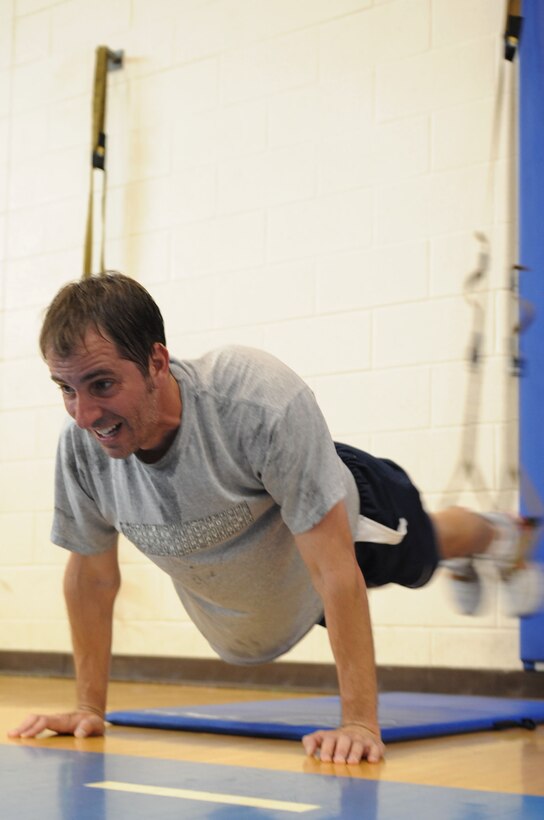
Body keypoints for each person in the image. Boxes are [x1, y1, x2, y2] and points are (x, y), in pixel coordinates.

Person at [8, 273, 543, 764]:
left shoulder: (252, 402)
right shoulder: (82, 449)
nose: (83, 413)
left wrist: (358, 722)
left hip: (344, 526)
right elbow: (93, 577)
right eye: (66, 389)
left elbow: (335, 568)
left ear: (156, 362)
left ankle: (497, 534)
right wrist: (87, 707)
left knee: (423, 547)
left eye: (101, 385)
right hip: (270, 583)